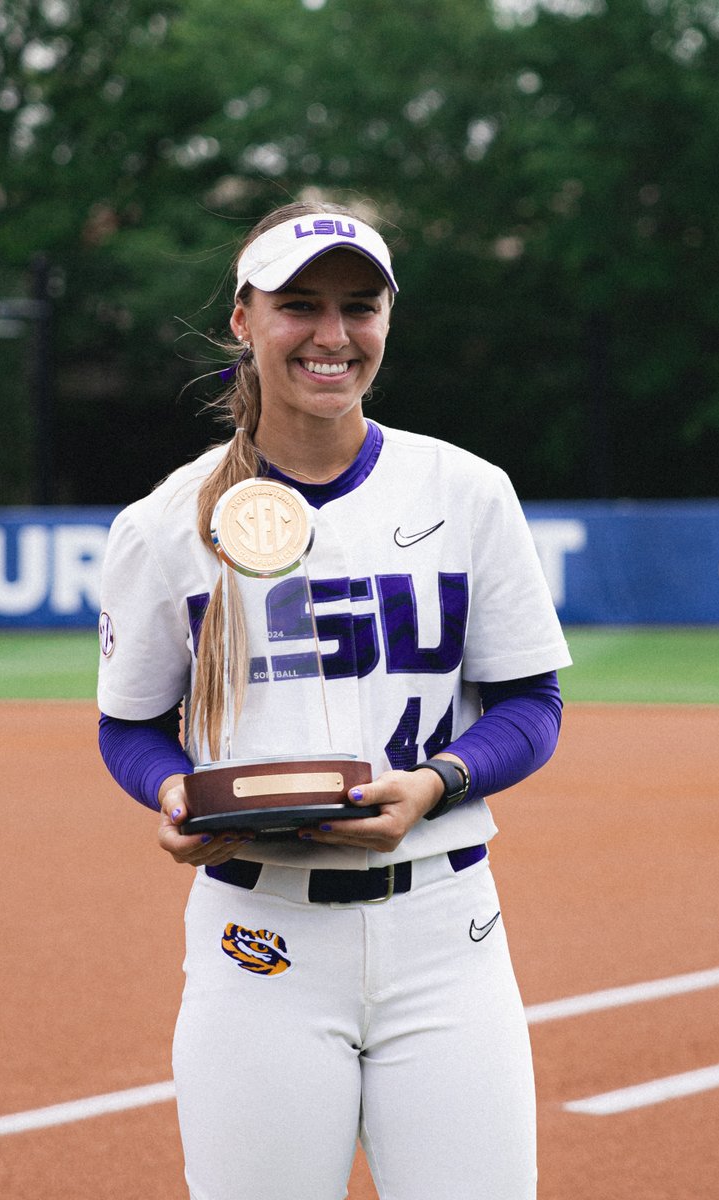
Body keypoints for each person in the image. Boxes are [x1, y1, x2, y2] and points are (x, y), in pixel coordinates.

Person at [96, 199, 572, 1200]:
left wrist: (439, 782)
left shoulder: (467, 491)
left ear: (387, 322)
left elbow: (531, 704)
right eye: (299, 305)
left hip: (448, 932)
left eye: (360, 307)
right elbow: (131, 724)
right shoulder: (163, 524)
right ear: (243, 319)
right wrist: (173, 795)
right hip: (258, 941)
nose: (332, 335)